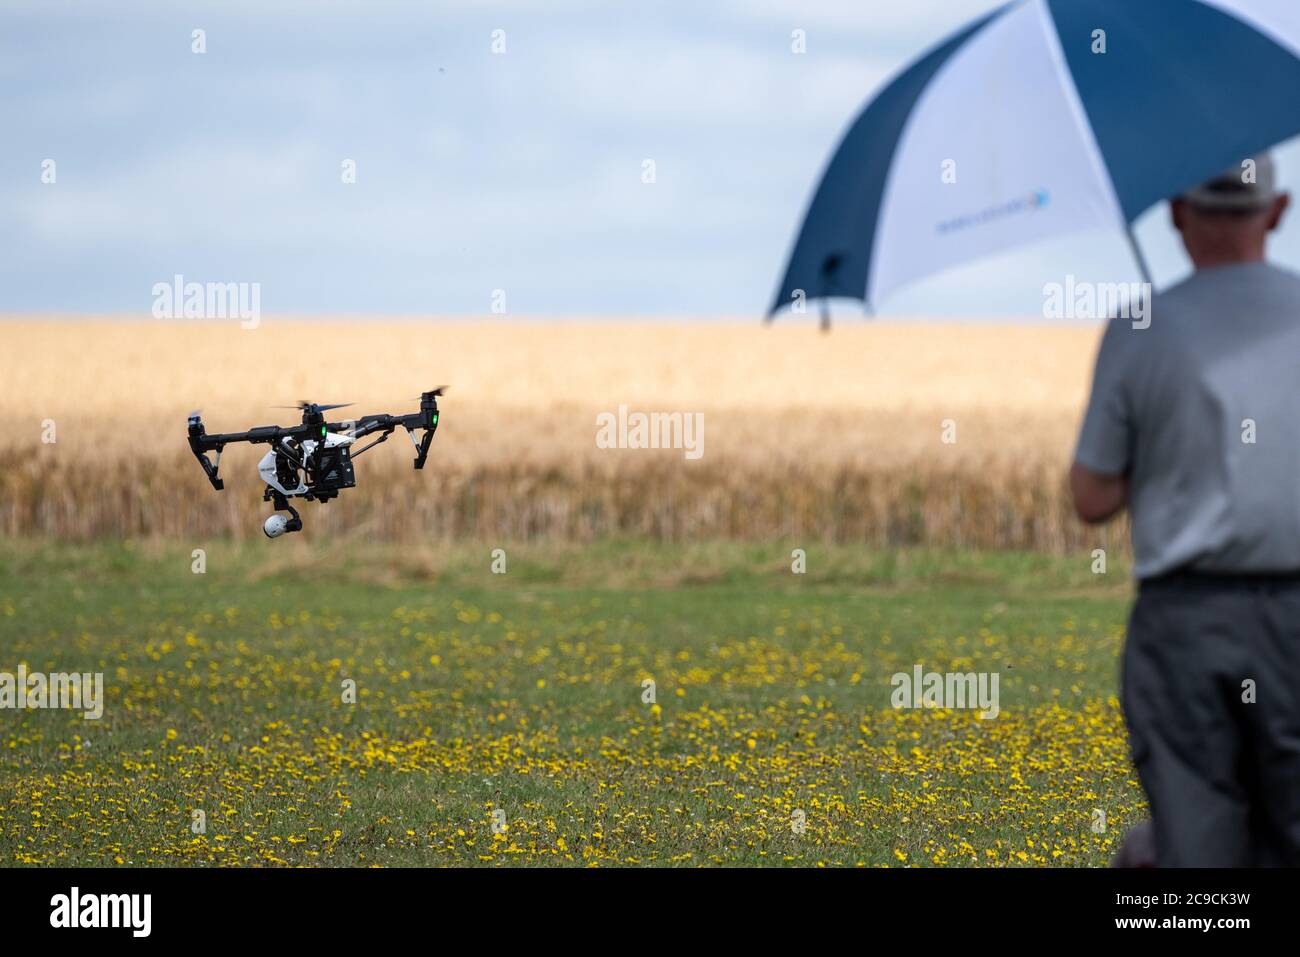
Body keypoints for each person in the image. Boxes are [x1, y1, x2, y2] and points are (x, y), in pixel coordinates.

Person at [1071, 153, 1300, 866]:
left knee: (1192, 846)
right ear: (1278, 209)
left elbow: (1092, 497)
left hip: (1184, 625)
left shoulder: (1141, 327)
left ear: (1175, 214)